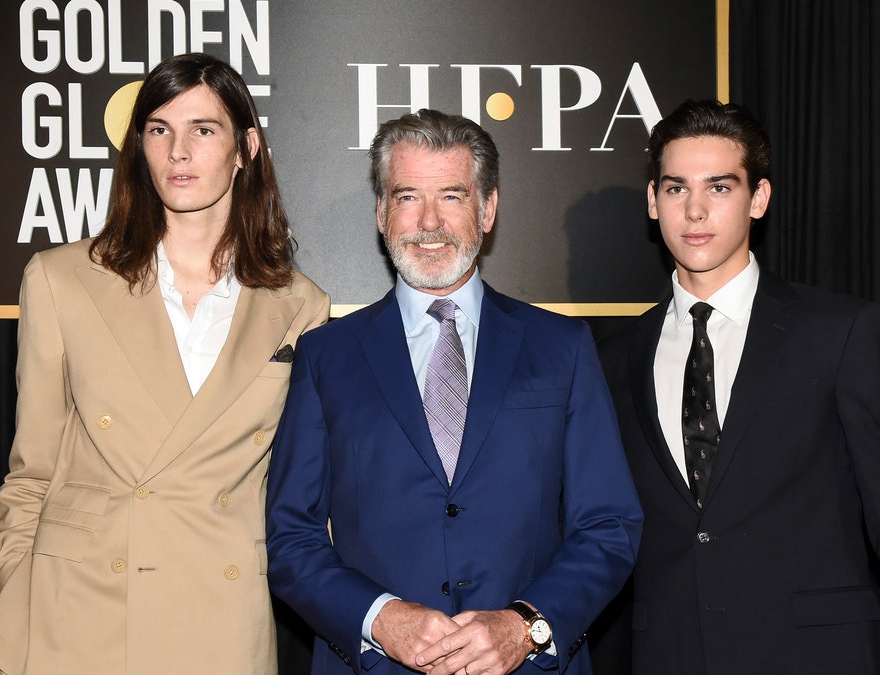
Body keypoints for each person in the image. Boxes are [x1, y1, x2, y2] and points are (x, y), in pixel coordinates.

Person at [0, 53, 330, 674]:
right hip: (82, 610)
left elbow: (301, 490)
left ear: (245, 147)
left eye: (203, 129)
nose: (178, 151)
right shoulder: (62, 280)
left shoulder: (301, 305)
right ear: (139, 146)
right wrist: (22, 589)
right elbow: (31, 469)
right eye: (159, 129)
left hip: (219, 610)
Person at [265, 109, 643, 675]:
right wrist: (381, 618)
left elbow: (609, 526)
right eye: (408, 196)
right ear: (381, 212)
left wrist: (525, 625)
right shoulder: (326, 356)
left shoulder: (562, 347)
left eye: (452, 195)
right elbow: (290, 538)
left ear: (487, 209)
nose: (430, 222)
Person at [596, 99, 880, 674]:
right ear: (652, 200)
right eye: (675, 189)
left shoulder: (840, 333)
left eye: (719, 188)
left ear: (758, 198)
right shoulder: (615, 358)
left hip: (821, 657)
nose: (695, 210)